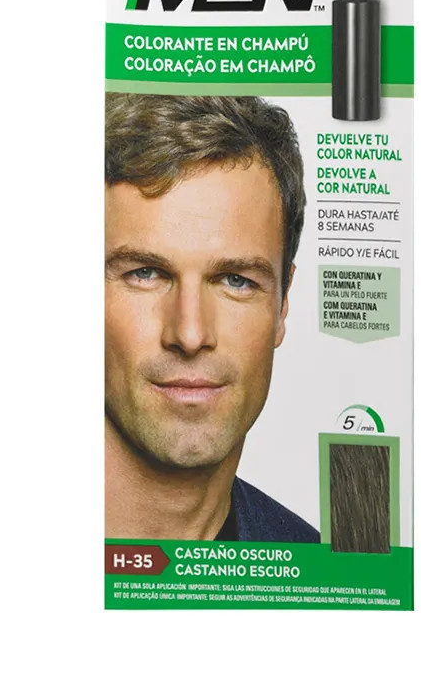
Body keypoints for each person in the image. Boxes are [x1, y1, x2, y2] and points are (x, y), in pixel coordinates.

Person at [105, 93, 318, 542]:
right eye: (145, 273)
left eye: (236, 281)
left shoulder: (312, 561)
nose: (190, 333)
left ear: (282, 304)